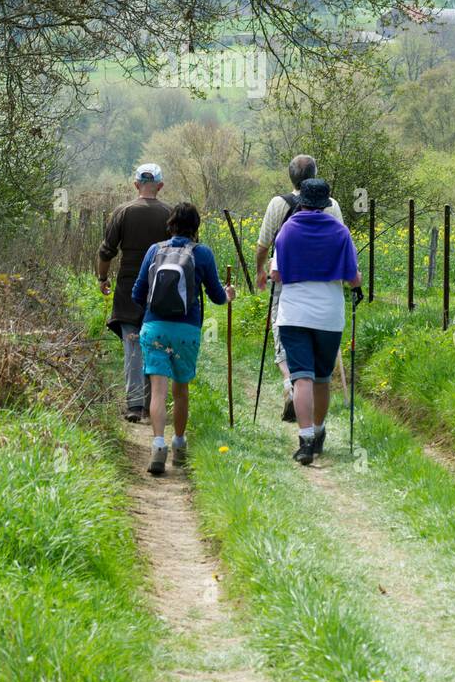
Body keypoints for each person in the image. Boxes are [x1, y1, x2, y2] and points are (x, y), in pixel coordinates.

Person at [132, 202, 236, 476]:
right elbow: (216, 296)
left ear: (171, 224)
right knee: (181, 391)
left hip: (154, 327)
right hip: (187, 332)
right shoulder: (202, 253)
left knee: (158, 390)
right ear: (196, 227)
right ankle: (178, 444)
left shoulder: (155, 250)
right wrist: (229, 295)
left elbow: (137, 293)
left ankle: (157, 446)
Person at [269, 178, 360, 465]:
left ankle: (305, 439)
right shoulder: (340, 232)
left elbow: (276, 275)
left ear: (302, 201)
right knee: (322, 377)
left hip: (294, 313)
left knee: (301, 376)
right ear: (326, 203)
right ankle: (319, 432)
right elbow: (353, 277)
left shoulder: (287, 231)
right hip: (329, 315)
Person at [255, 155, 344, 421]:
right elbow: (341, 240)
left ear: (290, 176)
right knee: (316, 336)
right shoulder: (332, 205)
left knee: (282, 329)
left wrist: (260, 271)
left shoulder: (278, 203)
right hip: (325, 281)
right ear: (315, 174)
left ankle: (289, 383)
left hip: (286, 279)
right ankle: (313, 411)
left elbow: (263, 244)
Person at [97, 163, 171, 422]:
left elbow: (107, 251)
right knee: (157, 345)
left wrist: (102, 277)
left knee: (133, 346)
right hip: (162, 289)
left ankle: (135, 406)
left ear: (136, 184)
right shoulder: (170, 214)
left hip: (128, 289)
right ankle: (154, 404)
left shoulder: (123, 212)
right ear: (160, 186)